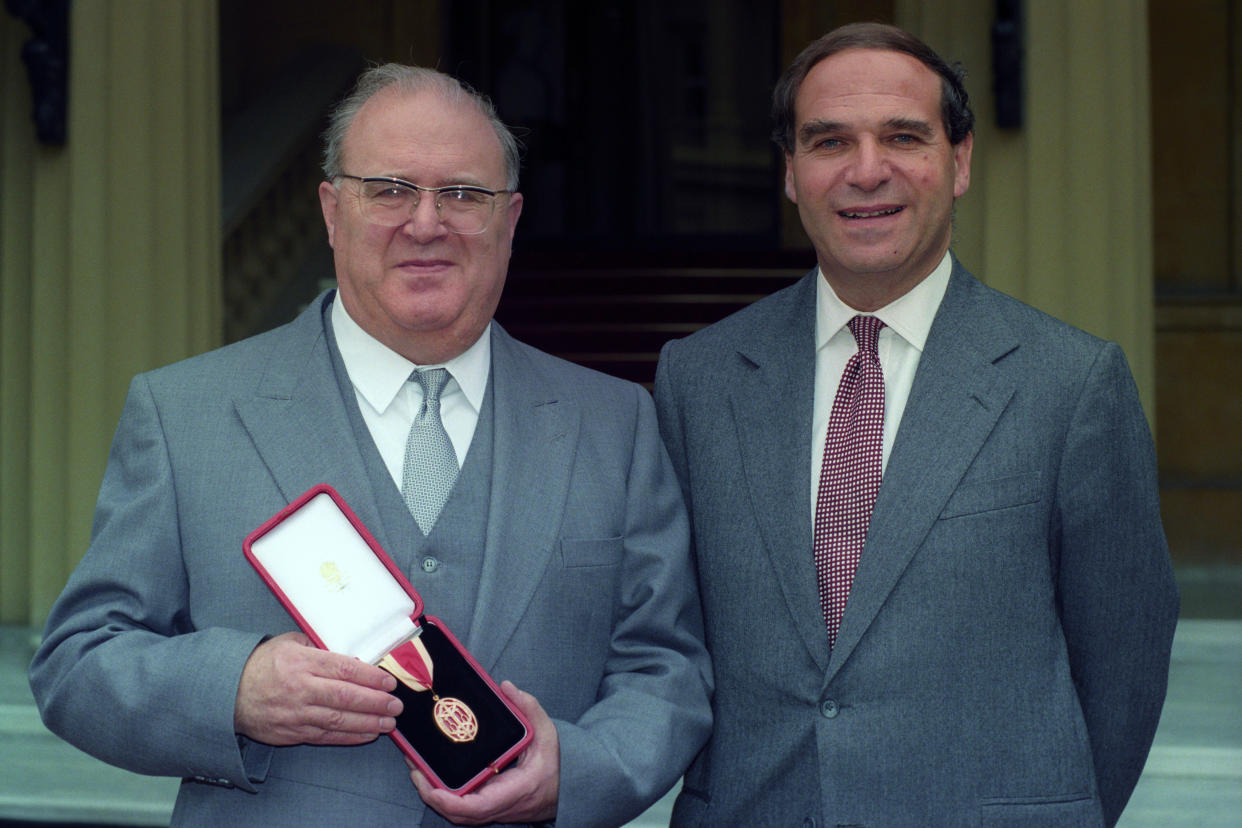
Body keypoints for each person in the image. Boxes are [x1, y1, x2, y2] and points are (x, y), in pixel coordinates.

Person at [30, 64, 712, 827]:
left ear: (510, 220)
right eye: (389, 189)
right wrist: (234, 687)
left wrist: (577, 772)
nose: (426, 223)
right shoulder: (186, 413)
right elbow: (76, 665)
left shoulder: (614, 423)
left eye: (463, 194)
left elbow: (667, 668)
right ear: (331, 208)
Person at [653, 22, 1178, 827]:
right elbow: (669, 640)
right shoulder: (698, 380)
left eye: (903, 137)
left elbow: (1125, 664)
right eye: (829, 142)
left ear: (959, 161)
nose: (868, 171)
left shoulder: (1071, 385)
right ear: (791, 173)